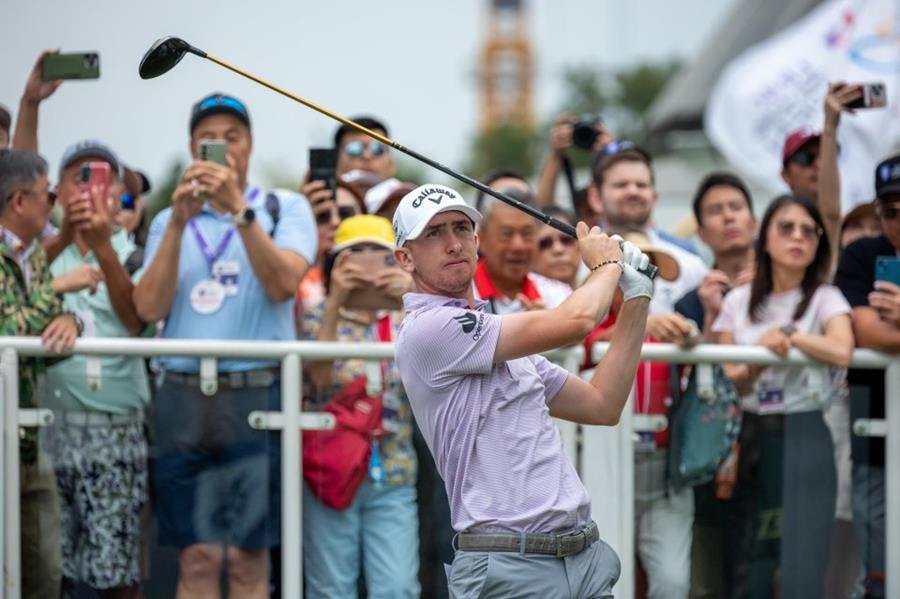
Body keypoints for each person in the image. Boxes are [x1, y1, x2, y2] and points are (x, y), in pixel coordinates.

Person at [392, 183, 653, 597]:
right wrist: (606, 266)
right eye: (433, 233)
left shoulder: (503, 342)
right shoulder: (428, 329)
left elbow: (603, 404)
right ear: (405, 257)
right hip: (508, 566)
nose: (453, 243)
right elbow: (577, 319)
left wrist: (637, 297)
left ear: (477, 242)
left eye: (461, 228)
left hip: (581, 556)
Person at [133, 92, 317, 598]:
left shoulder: (285, 208)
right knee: (195, 558)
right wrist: (176, 223)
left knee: (246, 557)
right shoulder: (167, 221)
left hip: (255, 394)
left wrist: (239, 209)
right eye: (207, 140)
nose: (221, 148)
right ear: (192, 149)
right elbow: (147, 307)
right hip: (181, 397)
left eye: (231, 138)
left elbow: (283, 283)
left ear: (250, 145)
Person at [713, 194, 854, 598]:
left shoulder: (827, 297)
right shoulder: (737, 301)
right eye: (786, 228)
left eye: (809, 231)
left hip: (808, 428)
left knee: (805, 556)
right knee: (746, 553)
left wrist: (791, 338)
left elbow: (842, 349)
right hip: (749, 431)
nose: (798, 238)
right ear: (766, 238)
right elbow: (733, 379)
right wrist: (762, 357)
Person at [587, 148, 707, 599]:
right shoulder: (585, 272)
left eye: (650, 268)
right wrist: (635, 322)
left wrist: (696, 333)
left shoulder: (687, 278)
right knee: (605, 585)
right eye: (621, 184)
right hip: (599, 452)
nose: (642, 278)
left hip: (666, 455)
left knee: (673, 584)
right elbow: (572, 332)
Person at [44, 140, 150, 598]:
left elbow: (135, 320)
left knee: (117, 572)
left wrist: (103, 247)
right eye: (78, 178)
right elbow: (18, 292)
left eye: (102, 180)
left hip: (116, 427)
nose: (90, 190)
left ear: (118, 193)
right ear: (57, 191)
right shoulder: (39, 249)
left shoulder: (135, 252)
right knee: (48, 568)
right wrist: (64, 237)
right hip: (46, 428)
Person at [300, 215, 418, 597]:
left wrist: (414, 294)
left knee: (397, 588)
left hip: (394, 468)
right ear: (335, 264)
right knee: (331, 589)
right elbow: (317, 378)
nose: (368, 262)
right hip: (331, 471)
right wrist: (335, 300)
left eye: (380, 254)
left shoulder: (414, 315)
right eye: (356, 253)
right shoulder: (317, 314)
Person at [0, 148, 84, 599]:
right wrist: (57, 303)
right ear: (19, 201)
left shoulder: (31, 254)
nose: (53, 203)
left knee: (43, 575)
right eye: (47, 194)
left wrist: (73, 322)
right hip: (3, 435)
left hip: (28, 439)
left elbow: (47, 339)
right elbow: (10, 328)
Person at [671, 173, 756, 598]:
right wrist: (710, 316)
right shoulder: (690, 299)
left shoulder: (788, 289)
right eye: (716, 211)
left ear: (754, 221)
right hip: (710, 455)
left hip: (769, 440)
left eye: (736, 208)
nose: (728, 217)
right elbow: (689, 382)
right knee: (708, 564)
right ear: (702, 232)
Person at [833, 153, 900, 599]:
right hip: (873, 425)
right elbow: (867, 331)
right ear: (878, 213)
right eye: (891, 210)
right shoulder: (862, 254)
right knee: (876, 551)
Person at [475, 181, 572, 313]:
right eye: (507, 234)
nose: (518, 246)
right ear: (482, 239)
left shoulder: (559, 297)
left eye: (527, 234)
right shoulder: (458, 298)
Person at [532, 205, 581, 289]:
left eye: (566, 240)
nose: (558, 249)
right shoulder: (522, 301)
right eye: (545, 243)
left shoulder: (604, 293)